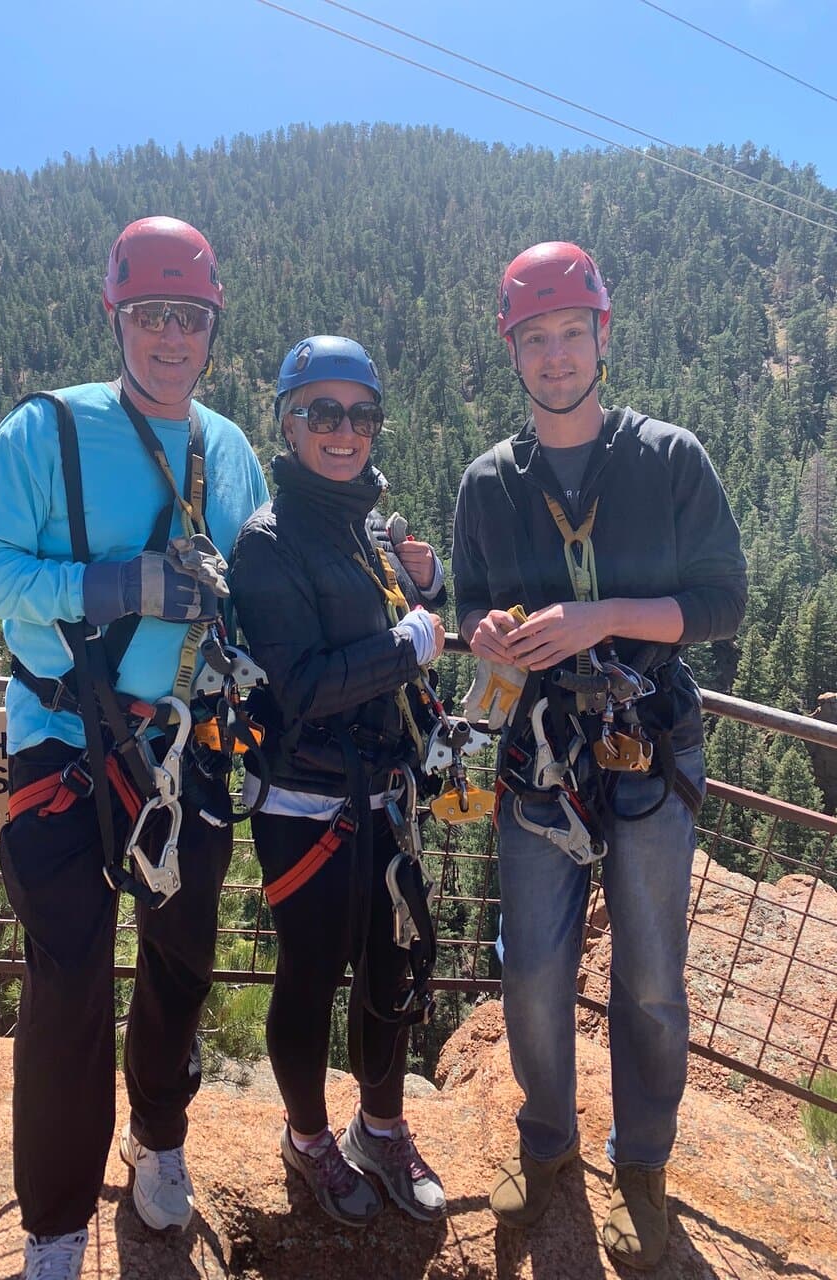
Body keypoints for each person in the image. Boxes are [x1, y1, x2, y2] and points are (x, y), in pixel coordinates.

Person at [0, 216, 268, 1280]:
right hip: (61, 739)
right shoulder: (46, 431)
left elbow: (262, 577)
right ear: (116, 317)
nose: (171, 337)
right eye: (151, 314)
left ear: (212, 327)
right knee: (69, 977)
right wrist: (107, 584)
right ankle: (56, 1220)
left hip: (184, 742)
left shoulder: (225, 450)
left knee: (181, 956)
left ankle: (158, 1137)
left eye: (190, 317)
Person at [452, 242, 747, 1269]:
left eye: (571, 332)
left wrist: (602, 615)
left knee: (652, 975)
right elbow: (467, 606)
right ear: (513, 351)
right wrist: (487, 633)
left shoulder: (668, 459)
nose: (555, 355)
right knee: (533, 968)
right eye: (535, 337)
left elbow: (723, 602)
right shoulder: (490, 484)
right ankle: (547, 1141)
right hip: (543, 752)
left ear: (602, 335)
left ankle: (643, 1163)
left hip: (648, 744)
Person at [229, 335, 448, 1227]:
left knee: (389, 965)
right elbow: (306, 683)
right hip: (305, 803)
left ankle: (381, 1128)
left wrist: (427, 583)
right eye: (322, 412)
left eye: (361, 414)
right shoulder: (268, 540)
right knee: (313, 973)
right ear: (288, 423)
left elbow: (385, 616)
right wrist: (409, 643)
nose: (344, 430)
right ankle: (309, 1137)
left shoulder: (364, 524)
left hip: (380, 790)